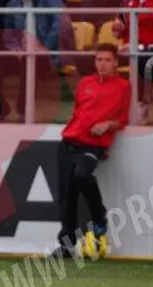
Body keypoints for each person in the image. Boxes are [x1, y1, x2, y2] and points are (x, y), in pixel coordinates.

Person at [52, 44, 130, 259]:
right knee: (67, 196)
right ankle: (66, 246)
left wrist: (108, 125)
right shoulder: (85, 83)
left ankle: (99, 216)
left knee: (82, 175)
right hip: (69, 141)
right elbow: (77, 111)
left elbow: (123, 120)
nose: (102, 64)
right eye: (99, 60)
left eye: (107, 60)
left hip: (93, 144)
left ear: (115, 63)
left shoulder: (123, 86)